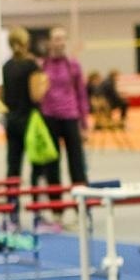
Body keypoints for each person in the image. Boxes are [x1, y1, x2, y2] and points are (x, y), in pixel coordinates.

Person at [32, 28, 89, 195]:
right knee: (52, 165)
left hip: (70, 116)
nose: (61, 43)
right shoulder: (41, 66)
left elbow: (81, 94)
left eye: (63, 39)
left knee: (77, 163)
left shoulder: (73, 65)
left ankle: (81, 204)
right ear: (50, 43)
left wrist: (84, 123)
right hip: (49, 117)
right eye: (57, 39)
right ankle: (56, 208)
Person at [0, 27, 44, 216]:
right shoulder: (31, 66)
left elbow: (0, 97)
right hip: (29, 121)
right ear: (27, 43)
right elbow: (36, 96)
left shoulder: (6, 67)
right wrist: (46, 83)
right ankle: (36, 209)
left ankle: (12, 209)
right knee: (36, 164)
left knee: (13, 166)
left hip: (12, 120)